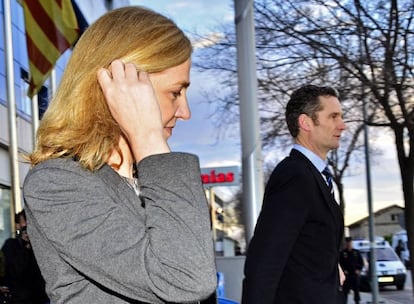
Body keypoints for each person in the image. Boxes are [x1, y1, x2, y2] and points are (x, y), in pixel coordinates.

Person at [22, 6, 217, 304]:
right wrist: (148, 136)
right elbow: (186, 279)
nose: (185, 112)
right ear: (125, 87)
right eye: (176, 93)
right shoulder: (57, 183)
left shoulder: (152, 176)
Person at [242, 85, 347, 304]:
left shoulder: (314, 176)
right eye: (333, 116)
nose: (342, 125)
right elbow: (264, 262)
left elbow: (305, 244)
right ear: (306, 122)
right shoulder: (295, 176)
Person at [1, 210, 49, 304]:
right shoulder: (11, 245)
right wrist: (26, 248)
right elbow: (16, 271)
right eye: (25, 227)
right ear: (18, 226)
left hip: (41, 298)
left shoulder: (40, 245)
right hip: (18, 299)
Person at [339, 237, 363, 304]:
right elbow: (340, 263)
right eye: (348, 243)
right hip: (347, 276)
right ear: (346, 244)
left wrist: (358, 269)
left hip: (354, 275)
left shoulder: (356, 252)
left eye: (350, 243)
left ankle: (357, 301)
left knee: (356, 291)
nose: (349, 245)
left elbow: (360, 262)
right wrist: (343, 270)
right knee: (345, 292)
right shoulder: (343, 253)